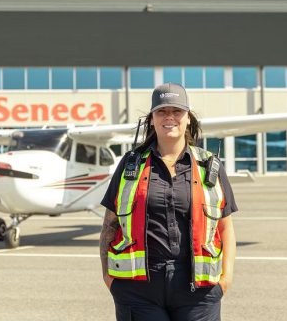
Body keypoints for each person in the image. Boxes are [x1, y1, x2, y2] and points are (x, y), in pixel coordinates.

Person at [99, 83, 237, 321]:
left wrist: (226, 280)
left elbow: (226, 228)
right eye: (162, 111)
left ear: (188, 118)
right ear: (152, 119)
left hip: (199, 292)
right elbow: (109, 225)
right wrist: (108, 278)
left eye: (177, 111)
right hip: (138, 291)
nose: (169, 117)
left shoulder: (209, 166)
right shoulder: (130, 165)